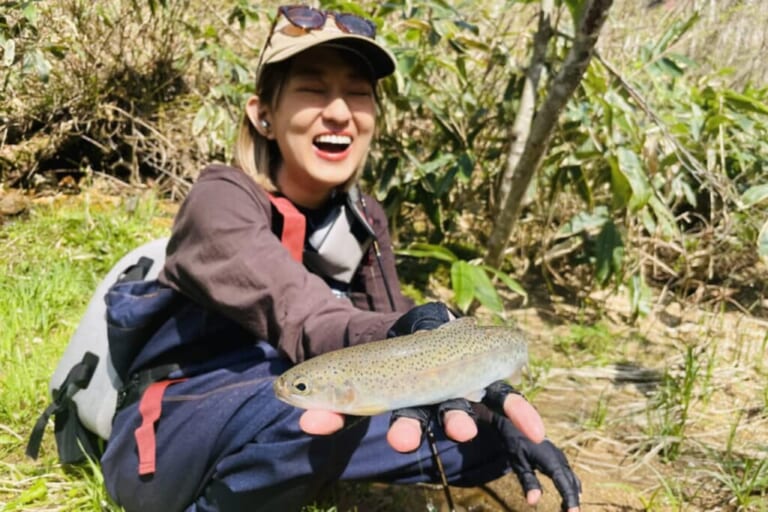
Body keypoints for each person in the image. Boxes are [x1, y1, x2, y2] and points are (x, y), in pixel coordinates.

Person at [100, 5, 581, 512]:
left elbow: (388, 325)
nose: (339, 111)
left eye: (357, 93)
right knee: (310, 405)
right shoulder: (220, 198)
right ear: (263, 114)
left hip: (293, 404)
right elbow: (308, 316)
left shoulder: (365, 218)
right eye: (312, 89)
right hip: (176, 424)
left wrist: (483, 395)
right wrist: (403, 348)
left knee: (485, 444)